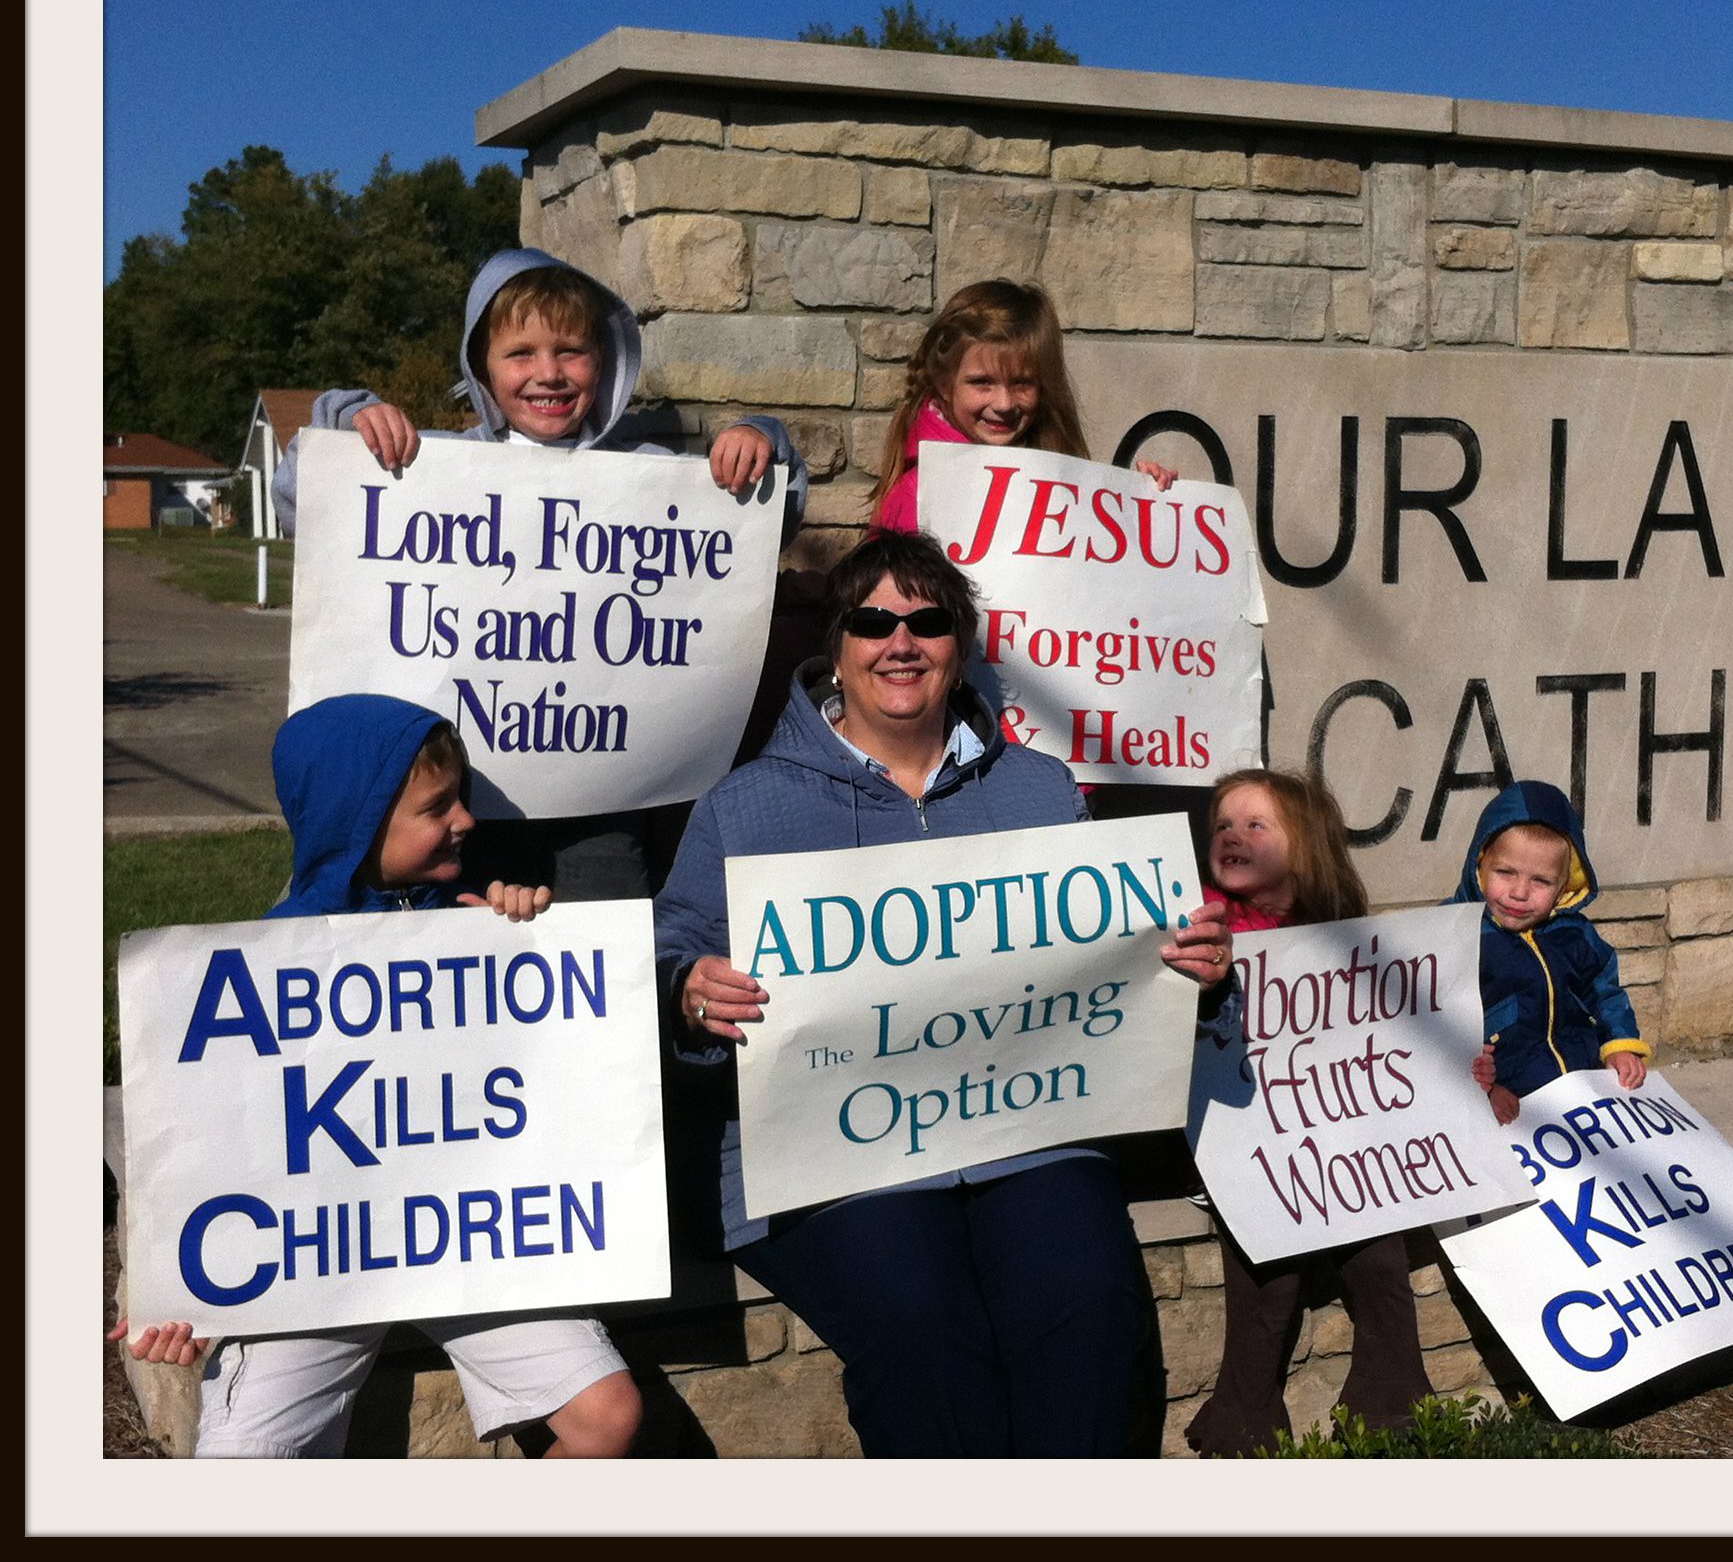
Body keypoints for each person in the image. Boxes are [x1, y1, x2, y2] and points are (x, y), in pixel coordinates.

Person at [652, 530, 1236, 1458]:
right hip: (831, 1153)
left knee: (1089, 1304)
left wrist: (1193, 973)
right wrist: (689, 991)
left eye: (927, 623)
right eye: (873, 622)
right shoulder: (746, 804)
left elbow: (1115, 959)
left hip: (1024, 1130)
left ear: (959, 647)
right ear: (838, 647)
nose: (901, 642)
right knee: (923, 1333)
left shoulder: (1040, 788)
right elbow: (670, 947)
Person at [110, 693, 644, 1459]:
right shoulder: (260, 964)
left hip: (469, 1235)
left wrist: (530, 938)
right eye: (437, 806)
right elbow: (212, 1143)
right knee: (241, 1461)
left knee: (608, 1414)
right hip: (316, 1256)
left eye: (460, 797)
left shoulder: (481, 927)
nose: (465, 819)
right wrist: (181, 1288)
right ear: (356, 822)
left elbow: (554, 1076)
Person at [272, 247, 811, 901]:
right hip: (458, 800)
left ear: (604, 362)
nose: (548, 373)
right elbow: (303, 499)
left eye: (571, 351)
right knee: (460, 944)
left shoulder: (649, 474)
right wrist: (348, 420)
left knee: (607, 947)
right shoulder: (430, 464)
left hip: (604, 806)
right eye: (520, 353)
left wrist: (761, 440)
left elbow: (768, 523)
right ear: (481, 366)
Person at [1182, 768, 1435, 1457]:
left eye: (1255, 825)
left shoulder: (1342, 936)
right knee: (1271, 1263)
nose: (1232, 835)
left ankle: (1392, 1409)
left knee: (1380, 1249)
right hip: (1233, 1140)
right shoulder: (1199, 923)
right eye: (1221, 825)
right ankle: (1244, 1419)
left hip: (1330, 1135)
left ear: (1307, 846)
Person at [867, 277, 1175, 536]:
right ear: (944, 383)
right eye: (981, 382)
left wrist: (1141, 500)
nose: (1004, 404)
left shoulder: (1056, 472)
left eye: (1021, 383)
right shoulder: (916, 499)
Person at [1447, 778, 1652, 1125]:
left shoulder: (1574, 934)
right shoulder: (1458, 935)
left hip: (1580, 1090)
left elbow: (1605, 994)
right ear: (1479, 867)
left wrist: (1620, 1045)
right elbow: (1443, 1028)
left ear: (1563, 887)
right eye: (1505, 872)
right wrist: (1486, 1089)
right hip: (1507, 1103)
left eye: (1540, 881)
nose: (1519, 892)